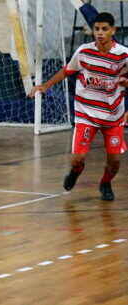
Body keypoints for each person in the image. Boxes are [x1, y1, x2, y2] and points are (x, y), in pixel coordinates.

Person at [30, 12, 128, 201]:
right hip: (86, 113)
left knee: (115, 162)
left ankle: (105, 183)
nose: (100, 33)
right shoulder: (84, 51)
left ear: (113, 31)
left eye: (104, 29)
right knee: (78, 159)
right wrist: (44, 86)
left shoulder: (123, 55)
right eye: (97, 29)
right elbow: (67, 71)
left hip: (113, 116)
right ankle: (75, 172)